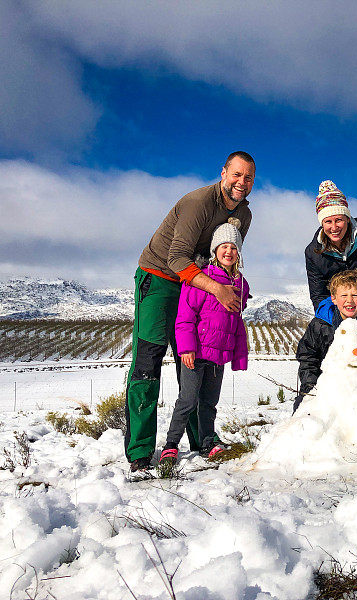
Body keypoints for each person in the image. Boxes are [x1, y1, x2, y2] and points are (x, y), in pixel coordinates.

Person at [125, 151, 255, 473]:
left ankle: (202, 439)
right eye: (236, 174)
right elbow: (177, 257)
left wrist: (231, 291)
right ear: (223, 172)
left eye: (249, 177)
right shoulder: (198, 202)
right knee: (149, 360)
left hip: (198, 285)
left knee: (199, 357)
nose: (242, 182)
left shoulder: (245, 215)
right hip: (160, 279)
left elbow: (224, 260)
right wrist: (217, 290)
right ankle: (141, 450)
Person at [159, 219, 250, 464]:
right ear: (214, 251)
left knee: (209, 403)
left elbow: (236, 324)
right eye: (224, 246)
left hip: (218, 356)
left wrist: (239, 356)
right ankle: (171, 444)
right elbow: (185, 318)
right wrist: (185, 348)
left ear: (239, 253)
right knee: (187, 400)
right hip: (196, 353)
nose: (229, 251)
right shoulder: (201, 279)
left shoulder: (241, 283)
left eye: (233, 247)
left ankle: (207, 443)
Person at [294, 270, 357, 412]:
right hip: (324, 381)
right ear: (333, 298)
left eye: (355, 295)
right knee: (303, 412)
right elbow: (307, 356)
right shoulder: (321, 324)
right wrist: (311, 387)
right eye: (343, 295)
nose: (349, 301)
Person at [305, 180, 357, 310]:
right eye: (328, 222)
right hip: (339, 309)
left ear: (347, 218)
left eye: (339, 220)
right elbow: (318, 295)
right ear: (322, 223)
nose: (334, 227)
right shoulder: (313, 252)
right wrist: (335, 318)